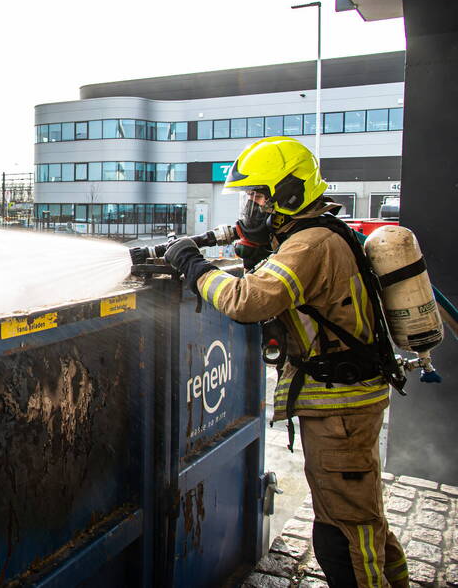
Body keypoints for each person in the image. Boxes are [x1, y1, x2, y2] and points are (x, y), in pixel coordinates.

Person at [163, 137, 408, 588]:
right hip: (346, 401)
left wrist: (194, 266)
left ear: (291, 193)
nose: (252, 205)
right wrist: (258, 253)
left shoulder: (310, 245)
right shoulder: (316, 233)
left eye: (260, 195)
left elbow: (247, 301)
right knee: (363, 515)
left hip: (341, 408)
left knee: (346, 530)